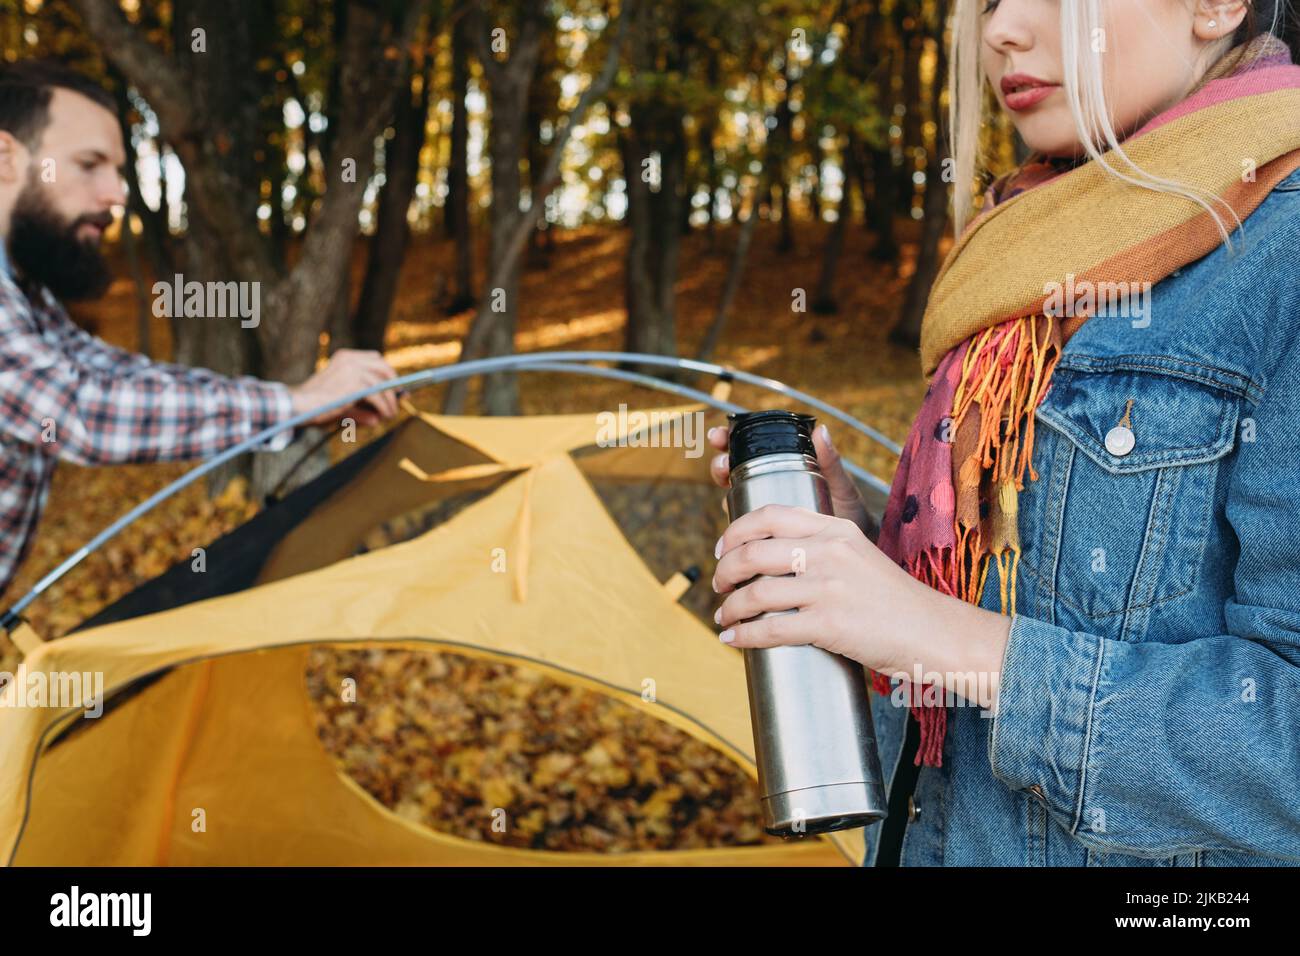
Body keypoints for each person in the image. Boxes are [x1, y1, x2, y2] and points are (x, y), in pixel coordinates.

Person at [709, 0, 1300, 866]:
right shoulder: (1016, 257)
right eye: (986, 0)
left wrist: (941, 638)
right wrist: (865, 554)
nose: (1001, 31)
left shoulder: (1283, 260)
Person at [0, 59, 400, 600]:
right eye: (89, 164)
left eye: (116, 170)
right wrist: (294, 405)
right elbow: (79, 410)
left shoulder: (25, 289)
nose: (116, 194)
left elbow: (112, 373)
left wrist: (300, 402)